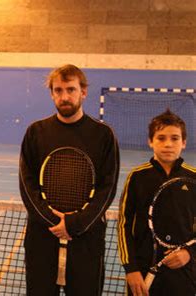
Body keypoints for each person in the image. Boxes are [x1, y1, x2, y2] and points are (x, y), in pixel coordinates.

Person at [19, 64, 120, 295]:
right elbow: (27, 184)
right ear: (52, 93)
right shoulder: (36, 132)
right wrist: (53, 222)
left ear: (83, 92)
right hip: (42, 237)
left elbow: (108, 188)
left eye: (71, 90)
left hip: (87, 238)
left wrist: (75, 224)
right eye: (58, 90)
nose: (65, 96)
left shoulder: (103, 135)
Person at [118, 109, 196, 296]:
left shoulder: (193, 178)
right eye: (161, 138)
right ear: (150, 141)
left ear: (184, 142)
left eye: (175, 138)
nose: (168, 144)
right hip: (142, 271)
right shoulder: (137, 177)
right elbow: (124, 225)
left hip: (184, 273)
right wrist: (131, 269)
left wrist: (190, 254)